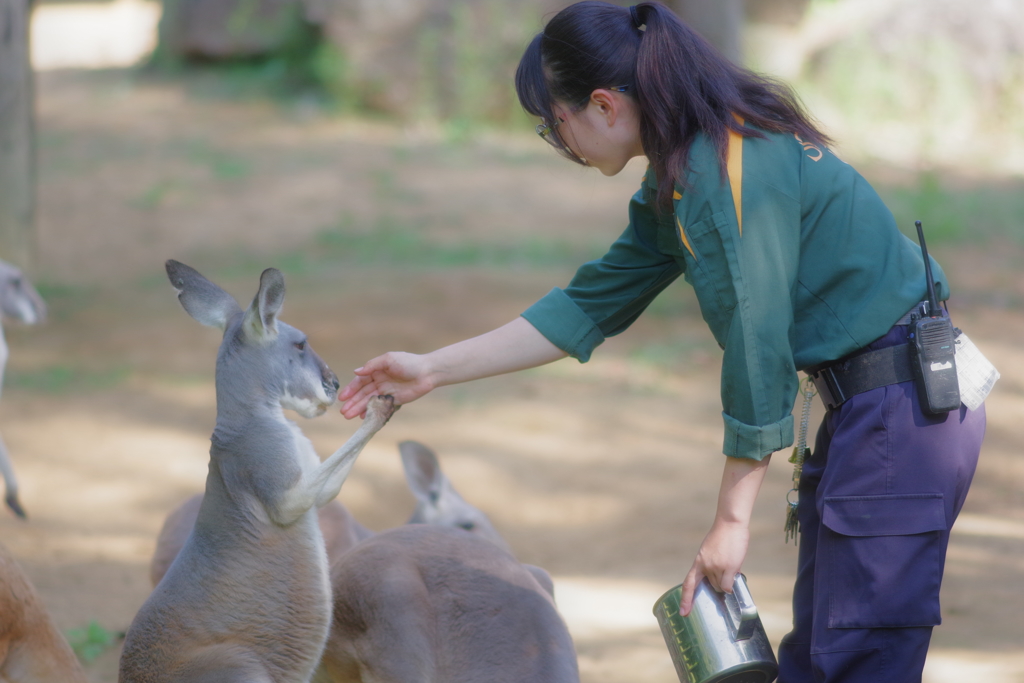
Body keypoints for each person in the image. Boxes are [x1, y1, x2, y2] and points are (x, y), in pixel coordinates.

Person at [339, 2, 987, 681]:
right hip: (876, 411)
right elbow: (587, 304)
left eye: (555, 125)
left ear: (602, 104)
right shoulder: (682, 176)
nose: (562, 145)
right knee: (818, 659)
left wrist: (730, 522)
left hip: (902, 414)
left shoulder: (727, 170)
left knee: (856, 663)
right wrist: (432, 369)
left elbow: (755, 342)